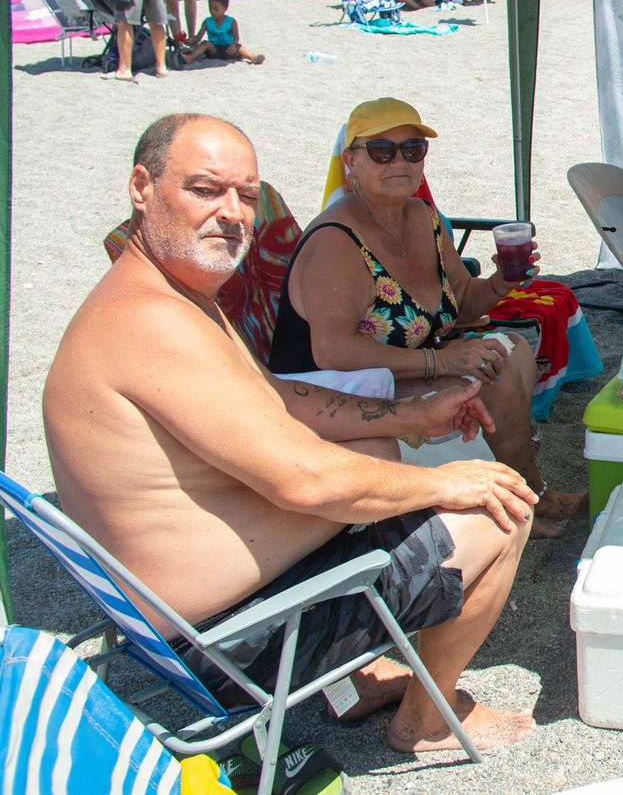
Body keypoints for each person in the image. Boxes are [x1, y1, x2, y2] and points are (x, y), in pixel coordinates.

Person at [44, 114, 542, 754]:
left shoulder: (164, 298)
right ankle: (426, 720)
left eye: (246, 196)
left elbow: (276, 397)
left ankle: (353, 681)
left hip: (185, 613)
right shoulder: (151, 323)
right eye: (205, 190)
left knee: (373, 449)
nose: (232, 213)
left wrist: (409, 418)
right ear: (142, 186)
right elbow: (302, 481)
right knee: (500, 508)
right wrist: (441, 483)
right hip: (225, 645)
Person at [267, 98, 584, 533]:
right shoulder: (335, 241)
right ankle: (523, 496)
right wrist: (443, 361)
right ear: (351, 162)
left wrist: (502, 281)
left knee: (513, 351)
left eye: (413, 148)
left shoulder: (423, 217)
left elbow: (464, 301)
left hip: (390, 369)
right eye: (382, 150)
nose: (400, 160)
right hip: (328, 390)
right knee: (488, 377)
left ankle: (515, 485)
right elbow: (332, 350)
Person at [182, 0, 265, 66]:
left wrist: (232, 45)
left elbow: (236, 37)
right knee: (206, 44)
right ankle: (190, 57)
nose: (212, 11)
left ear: (225, 8)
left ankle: (253, 57)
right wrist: (191, 40)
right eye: (210, 8)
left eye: (216, 9)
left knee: (239, 47)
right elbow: (198, 37)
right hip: (214, 49)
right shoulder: (207, 22)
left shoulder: (231, 21)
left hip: (229, 48)